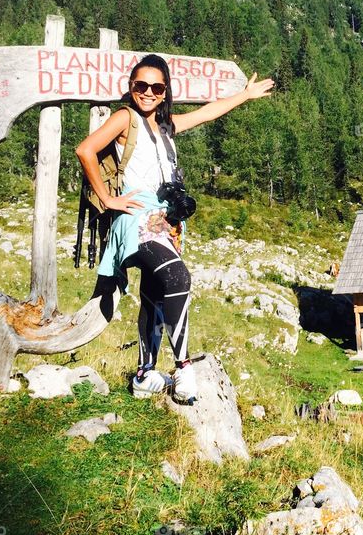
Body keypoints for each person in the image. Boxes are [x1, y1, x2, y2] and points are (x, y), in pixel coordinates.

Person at [76, 54, 273, 402]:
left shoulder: (166, 127)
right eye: (141, 85)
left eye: (156, 87)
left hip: (166, 223)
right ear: (131, 87)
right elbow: (85, 150)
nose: (148, 92)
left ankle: (144, 374)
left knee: (154, 293)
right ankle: (183, 369)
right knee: (177, 278)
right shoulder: (125, 118)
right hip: (137, 220)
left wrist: (245, 95)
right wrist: (108, 199)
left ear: (165, 91)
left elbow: (206, 112)